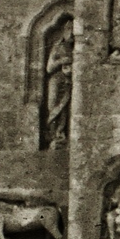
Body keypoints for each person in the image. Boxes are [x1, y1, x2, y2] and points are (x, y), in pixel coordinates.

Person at [42, 18, 73, 148]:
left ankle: (60, 135)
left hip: (67, 81)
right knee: (53, 106)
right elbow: (49, 68)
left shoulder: (76, 48)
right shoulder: (58, 46)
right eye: (69, 30)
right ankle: (53, 135)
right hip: (56, 80)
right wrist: (62, 61)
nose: (71, 34)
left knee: (63, 109)